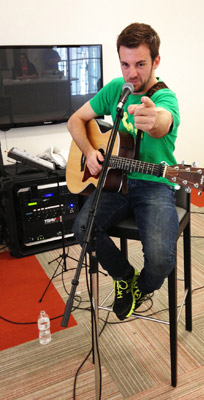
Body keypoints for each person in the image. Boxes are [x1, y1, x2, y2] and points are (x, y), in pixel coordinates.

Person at [67, 22, 180, 321]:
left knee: (160, 259)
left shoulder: (165, 99)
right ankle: (123, 276)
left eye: (140, 64)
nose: (132, 73)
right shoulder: (117, 89)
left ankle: (140, 288)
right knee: (82, 229)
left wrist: (152, 118)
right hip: (114, 182)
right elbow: (75, 120)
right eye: (125, 64)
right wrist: (91, 152)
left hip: (154, 185)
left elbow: (162, 122)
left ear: (156, 61)